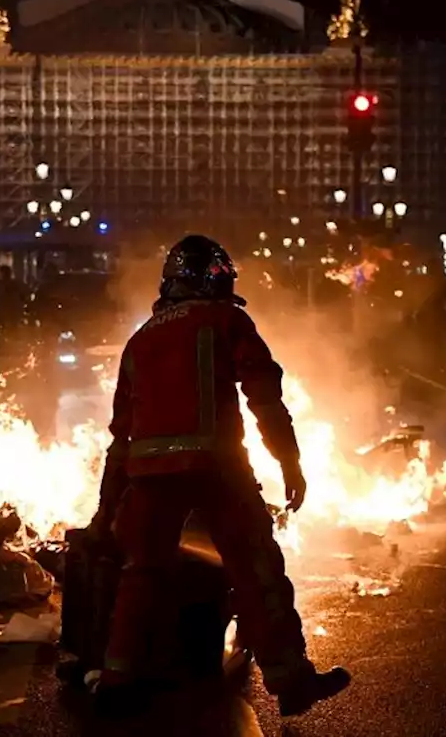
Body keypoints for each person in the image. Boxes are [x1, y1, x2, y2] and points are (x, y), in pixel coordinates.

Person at [91, 234, 350, 717]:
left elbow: (120, 436)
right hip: (218, 470)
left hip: (148, 477)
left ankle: (115, 682)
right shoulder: (227, 319)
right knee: (255, 570)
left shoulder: (139, 340)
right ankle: (290, 680)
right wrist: (288, 461)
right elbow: (264, 397)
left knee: (140, 575)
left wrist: (106, 509)